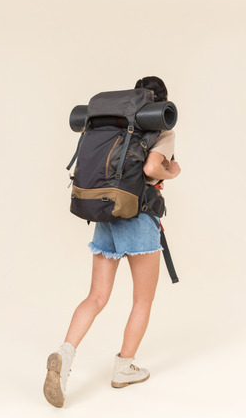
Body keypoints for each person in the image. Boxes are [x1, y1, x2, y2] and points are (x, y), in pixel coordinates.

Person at [43, 76, 181, 408]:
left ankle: (64, 354)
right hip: (139, 218)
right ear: (162, 104)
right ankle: (124, 368)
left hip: (107, 213)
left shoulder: (115, 125)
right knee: (142, 301)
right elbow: (151, 169)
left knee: (95, 297)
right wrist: (173, 170)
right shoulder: (162, 131)